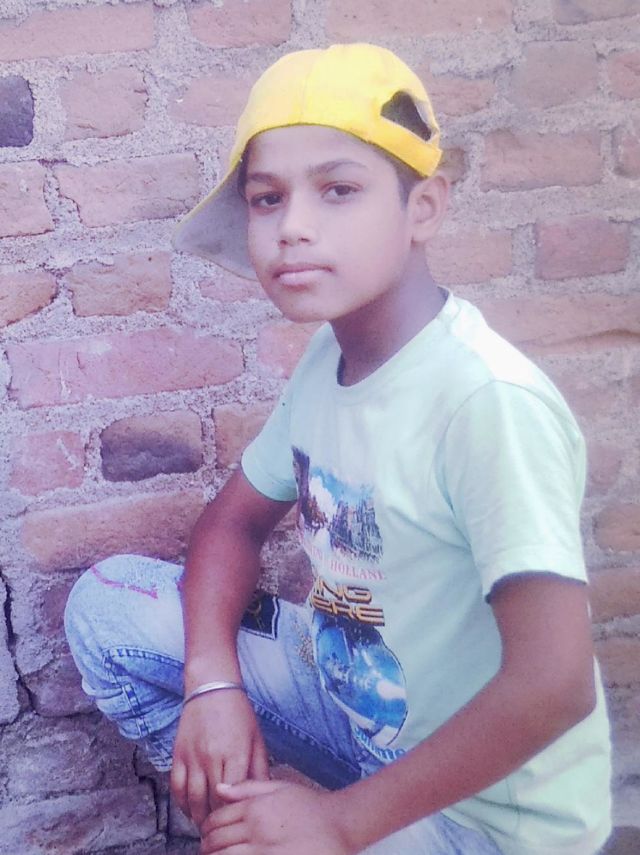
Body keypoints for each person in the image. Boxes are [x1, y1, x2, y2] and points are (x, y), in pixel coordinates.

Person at [64, 43, 612, 855]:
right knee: (107, 608)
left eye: (339, 190)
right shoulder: (331, 357)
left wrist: (339, 821)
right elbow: (231, 524)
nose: (293, 227)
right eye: (267, 198)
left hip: (491, 819)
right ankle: (263, 821)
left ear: (424, 208)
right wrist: (211, 685)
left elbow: (554, 684)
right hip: (359, 709)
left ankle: (299, 829)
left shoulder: (485, 401)